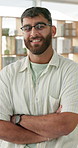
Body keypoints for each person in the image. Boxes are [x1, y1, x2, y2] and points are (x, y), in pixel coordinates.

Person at [0, 6, 78, 148]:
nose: (33, 33)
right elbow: (1, 128)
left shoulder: (72, 71)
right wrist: (47, 133)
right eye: (27, 28)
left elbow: (66, 124)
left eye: (40, 26)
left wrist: (17, 119)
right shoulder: (7, 74)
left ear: (53, 31)